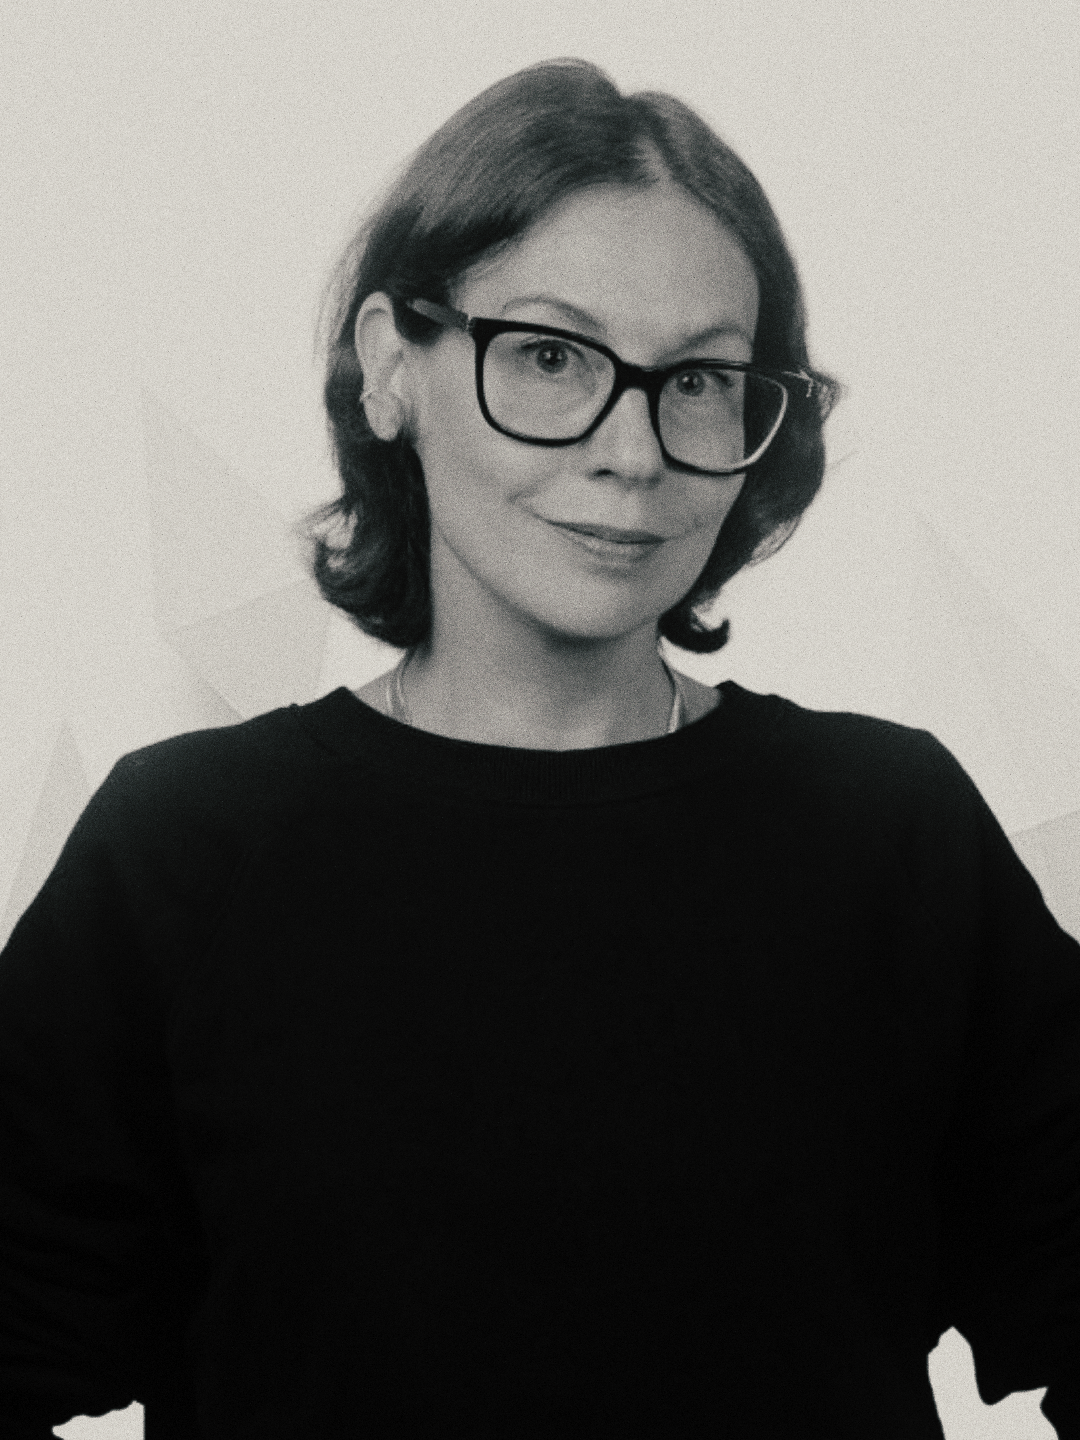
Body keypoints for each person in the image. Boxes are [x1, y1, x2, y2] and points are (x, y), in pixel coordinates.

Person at [1, 57, 1077, 1440]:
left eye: (700, 379)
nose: (633, 450)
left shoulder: (892, 832)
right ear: (394, 364)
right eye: (552, 356)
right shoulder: (185, 850)